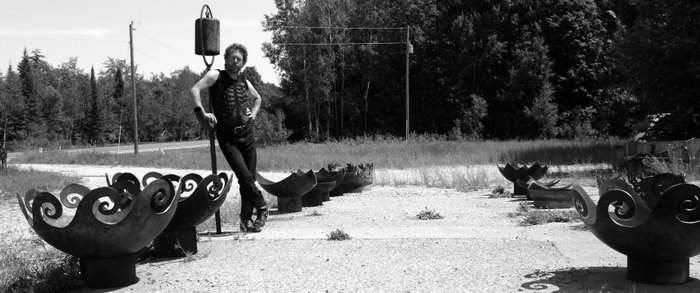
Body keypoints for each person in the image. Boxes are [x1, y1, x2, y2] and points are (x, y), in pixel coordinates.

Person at [190, 43, 268, 233]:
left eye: (239, 59)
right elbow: (194, 90)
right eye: (232, 58)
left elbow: (257, 98)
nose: (235, 62)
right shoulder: (216, 75)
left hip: (247, 134)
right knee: (244, 175)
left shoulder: (244, 80)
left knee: (247, 179)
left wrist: (254, 114)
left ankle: (245, 220)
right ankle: (263, 207)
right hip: (227, 137)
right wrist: (202, 113)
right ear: (225, 59)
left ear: (243, 62)